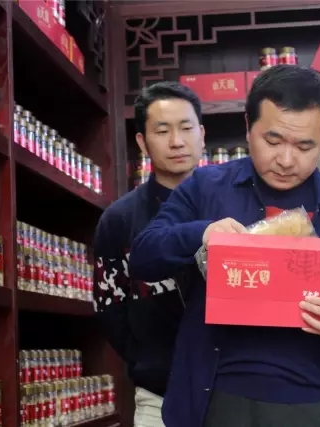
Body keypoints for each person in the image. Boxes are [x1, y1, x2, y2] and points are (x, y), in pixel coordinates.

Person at [128, 64, 320, 427]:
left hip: (318, 399)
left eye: (304, 146)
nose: (286, 160)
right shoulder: (206, 188)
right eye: (273, 141)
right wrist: (202, 234)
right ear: (248, 127)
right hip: (216, 397)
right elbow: (143, 255)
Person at [92, 81, 204, 427]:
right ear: (142, 141)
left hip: (231, 391)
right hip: (158, 395)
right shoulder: (119, 219)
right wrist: (148, 359)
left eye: (186, 128)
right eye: (162, 130)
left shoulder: (232, 205)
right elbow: (109, 307)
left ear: (202, 134)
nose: (177, 141)